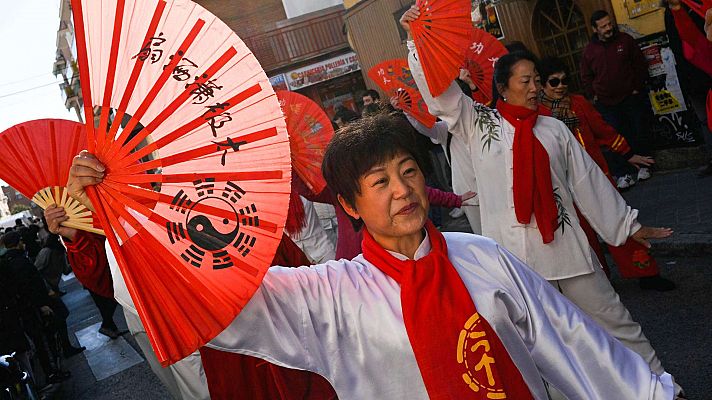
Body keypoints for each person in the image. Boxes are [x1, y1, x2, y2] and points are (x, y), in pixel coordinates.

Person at [66, 112, 677, 399]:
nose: (404, 190)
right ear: (351, 207)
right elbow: (219, 300)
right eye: (379, 182)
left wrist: (647, 393)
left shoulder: (483, 256)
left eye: (409, 171)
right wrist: (126, 213)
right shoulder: (331, 292)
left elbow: (566, 338)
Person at [401, 5, 683, 397]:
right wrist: (419, 38)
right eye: (525, 81)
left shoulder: (554, 130)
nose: (534, 88)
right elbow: (440, 94)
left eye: (536, 79)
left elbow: (588, 183)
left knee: (615, 322)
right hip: (516, 261)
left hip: (567, 250)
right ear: (502, 88)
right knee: (542, 350)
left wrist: (628, 227)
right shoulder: (479, 123)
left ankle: (661, 388)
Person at [537, 56, 675, 290]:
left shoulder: (578, 104)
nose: (560, 85)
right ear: (542, 85)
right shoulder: (539, 116)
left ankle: (646, 273)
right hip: (565, 186)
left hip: (596, 178)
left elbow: (604, 131)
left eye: (564, 80)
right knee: (584, 238)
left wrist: (628, 154)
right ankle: (602, 283)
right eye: (554, 81)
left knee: (621, 223)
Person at [43, 206, 210, 400]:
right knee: (185, 388)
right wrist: (76, 237)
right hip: (142, 312)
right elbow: (103, 278)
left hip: (196, 292)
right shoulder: (86, 210)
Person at [580, 10, 653, 188]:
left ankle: (644, 167)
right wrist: (594, 95)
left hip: (630, 97)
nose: (608, 28)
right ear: (594, 29)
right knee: (615, 137)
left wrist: (636, 87)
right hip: (606, 103)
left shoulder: (625, 40)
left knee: (637, 130)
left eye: (609, 24)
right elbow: (586, 76)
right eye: (603, 26)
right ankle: (625, 173)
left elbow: (639, 64)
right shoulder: (590, 51)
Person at [664, 0, 712, 177]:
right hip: (696, 79)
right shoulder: (673, 13)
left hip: (698, 76)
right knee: (705, 120)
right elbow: (690, 43)